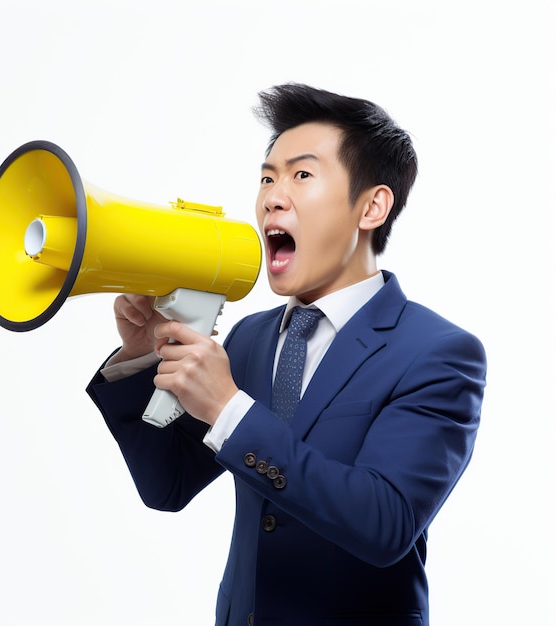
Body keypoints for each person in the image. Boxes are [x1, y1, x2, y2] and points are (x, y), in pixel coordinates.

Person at [86, 83, 487, 626]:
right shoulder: (251, 338)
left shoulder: (438, 354)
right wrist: (140, 359)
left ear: (372, 205)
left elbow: (385, 522)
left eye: (302, 175)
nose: (273, 196)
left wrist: (230, 409)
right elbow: (169, 485)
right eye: (267, 178)